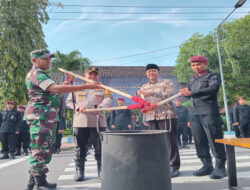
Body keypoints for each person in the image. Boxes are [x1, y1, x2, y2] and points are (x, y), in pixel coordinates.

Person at [24, 49, 102, 190]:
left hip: (45, 116)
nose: (49, 61)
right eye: (46, 59)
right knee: (40, 149)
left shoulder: (42, 75)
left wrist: (67, 82)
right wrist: (86, 85)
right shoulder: (37, 74)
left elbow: (54, 93)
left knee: (43, 149)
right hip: (40, 116)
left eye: (50, 58)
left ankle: (33, 181)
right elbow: (54, 89)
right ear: (34, 60)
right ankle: (39, 183)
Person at [179, 55, 227, 179]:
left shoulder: (213, 75)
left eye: (198, 64)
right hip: (194, 113)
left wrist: (193, 92)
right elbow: (190, 96)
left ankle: (221, 167)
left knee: (214, 139)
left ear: (205, 64)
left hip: (209, 111)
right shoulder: (192, 80)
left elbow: (213, 89)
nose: (195, 67)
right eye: (193, 65)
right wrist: (185, 93)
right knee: (199, 140)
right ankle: (207, 165)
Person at [66, 67, 112, 182]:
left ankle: (101, 171)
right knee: (80, 148)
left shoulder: (104, 88)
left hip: (98, 121)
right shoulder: (77, 88)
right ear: (85, 76)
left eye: (95, 75)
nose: (93, 76)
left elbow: (108, 100)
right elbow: (69, 101)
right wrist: (78, 107)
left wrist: (100, 107)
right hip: (80, 121)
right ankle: (79, 171)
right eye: (90, 74)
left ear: (98, 76)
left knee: (100, 147)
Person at [137, 63, 180, 178]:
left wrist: (153, 92)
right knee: (154, 142)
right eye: (149, 71)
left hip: (166, 115)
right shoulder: (143, 87)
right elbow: (142, 103)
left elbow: (170, 94)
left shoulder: (167, 82)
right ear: (146, 74)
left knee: (170, 141)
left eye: (153, 71)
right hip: (151, 117)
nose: (151, 73)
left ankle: (174, 166)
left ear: (158, 72)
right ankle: (159, 164)